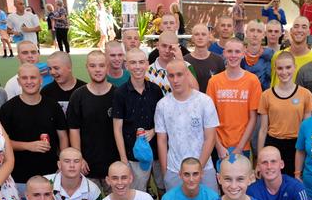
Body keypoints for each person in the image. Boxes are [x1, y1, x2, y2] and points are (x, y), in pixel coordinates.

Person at [0, 63, 69, 197]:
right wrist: (28, 146)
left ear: (40, 80)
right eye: (24, 78)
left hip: (50, 175)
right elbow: (0, 143)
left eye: (33, 78)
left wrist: (63, 163)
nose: (29, 82)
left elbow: (63, 137)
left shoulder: (53, 106)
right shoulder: (8, 109)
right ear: (19, 81)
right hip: (19, 177)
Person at [156, 60, 219, 191]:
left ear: (187, 74)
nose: (175, 80)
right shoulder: (162, 105)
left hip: (204, 168)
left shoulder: (204, 101)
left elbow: (210, 138)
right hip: (175, 170)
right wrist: (165, 171)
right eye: (171, 76)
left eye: (179, 75)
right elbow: (161, 140)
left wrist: (197, 170)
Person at [113, 48, 164, 191]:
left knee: (163, 187)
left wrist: (153, 131)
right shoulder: (120, 93)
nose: (137, 67)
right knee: (138, 190)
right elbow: (117, 128)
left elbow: (163, 120)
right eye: (133, 63)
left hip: (157, 151)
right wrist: (123, 159)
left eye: (141, 62)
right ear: (126, 65)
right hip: (134, 155)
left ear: (147, 64)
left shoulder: (155, 90)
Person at [67, 50, 119, 189]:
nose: (97, 70)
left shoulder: (117, 94)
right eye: (93, 66)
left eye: (101, 65)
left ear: (107, 67)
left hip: (113, 164)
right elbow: (74, 129)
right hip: (88, 165)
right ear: (87, 67)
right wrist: (79, 158)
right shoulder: (78, 96)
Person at [258, 51, 312, 175]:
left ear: (294, 67)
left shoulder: (305, 94)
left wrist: (306, 154)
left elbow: (307, 130)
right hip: (273, 143)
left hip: (296, 146)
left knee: (293, 184)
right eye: (280, 68)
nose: (284, 72)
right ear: (275, 69)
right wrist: (259, 159)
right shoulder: (266, 95)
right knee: (272, 184)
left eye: (288, 67)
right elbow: (263, 130)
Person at [207, 39, 261, 164]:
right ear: (224, 53)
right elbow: (209, 118)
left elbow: (253, 118)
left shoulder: (252, 81)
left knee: (240, 182)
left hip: (242, 145)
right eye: (230, 51)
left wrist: (240, 148)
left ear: (243, 54)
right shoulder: (214, 82)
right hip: (218, 145)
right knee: (220, 181)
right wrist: (219, 146)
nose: (233, 55)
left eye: (237, 51)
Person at [270, 16, 312, 87]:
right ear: (291, 31)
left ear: (308, 32)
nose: (299, 30)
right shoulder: (278, 56)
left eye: (304, 27)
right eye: (296, 26)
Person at [146, 31, 197, 96]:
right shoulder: (147, 71)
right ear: (157, 45)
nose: (167, 50)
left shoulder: (187, 66)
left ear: (178, 47)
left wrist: (181, 62)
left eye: (171, 47)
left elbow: (196, 91)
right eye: (164, 46)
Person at [184, 23, 225, 93]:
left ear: (209, 37)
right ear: (192, 38)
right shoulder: (185, 61)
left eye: (203, 34)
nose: (200, 37)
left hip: (213, 102)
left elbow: (222, 85)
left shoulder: (218, 60)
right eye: (197, 34)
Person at [242, 20, 274, 91]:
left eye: (259, 31)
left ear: (264, 35)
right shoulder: (238, 55)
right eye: (252, 30)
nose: (255, 34)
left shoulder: (270, 55)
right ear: (246, 33)